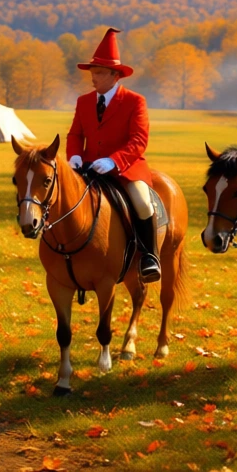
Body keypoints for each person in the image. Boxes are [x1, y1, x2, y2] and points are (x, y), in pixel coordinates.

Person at [66, 27, 160, 282]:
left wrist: (113, 161)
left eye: (97, 73)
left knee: (141, 202)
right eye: (92, 73)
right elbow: (75, 134)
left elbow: (139, 140)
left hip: (126, 169)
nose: (92, 78)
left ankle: (150, 257)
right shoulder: (83, 101)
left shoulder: (135, 101)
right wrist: (74, 156)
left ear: (113, 75)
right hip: (87, 167)